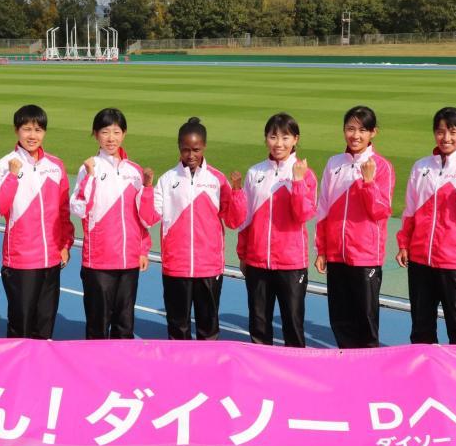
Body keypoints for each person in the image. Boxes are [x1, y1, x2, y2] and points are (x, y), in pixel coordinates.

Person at [139, 117, 246, 340]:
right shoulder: (167, 180)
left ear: (204, 147)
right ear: (179, 147)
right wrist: (147, 188)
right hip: (176, 266)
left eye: (196, 149)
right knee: (178, 327)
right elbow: (149, 218)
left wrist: (236, 192)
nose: (191, 155)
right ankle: (179, 371)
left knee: (208, 328)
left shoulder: (217, 180)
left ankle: (207, 372)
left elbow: (235, 221)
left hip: (209, 267)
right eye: (186, 149)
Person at [395, 107, 456, 345]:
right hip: (420, 259)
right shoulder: (421, 167)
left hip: (454, 263)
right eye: (440, 131)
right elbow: (410, 210)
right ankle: (422, 375)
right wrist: (403, 244)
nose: (446, 138)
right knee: (421, 327)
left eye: (452, 131)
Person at [0, 104, 74, 339]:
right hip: (21, 259)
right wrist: (13, 177)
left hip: (51, 259)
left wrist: (65, 244)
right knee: (21, 325)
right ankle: (18, 374)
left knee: (45, 325)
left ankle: (42, 373)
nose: (32, 135)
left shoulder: (55, 166)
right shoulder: (6, 164)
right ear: (17, 131)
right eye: (26, 129)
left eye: (38, 129)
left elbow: (63, 210)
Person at [314, 106, 394, 349]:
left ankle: (369, 368)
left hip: (365, 256)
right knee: (339, 317)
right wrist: (322, 249)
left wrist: (368, 182)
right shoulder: (334, 163)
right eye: (350, 128)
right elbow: (323, 209)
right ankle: (346, 364)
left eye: (362, 130)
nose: (355, 135)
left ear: (373, 133)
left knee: (365, 319)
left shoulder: (381, 166)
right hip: (337, 253)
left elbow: (380, 211)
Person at [237, 112, 317, 348]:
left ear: (295, 139)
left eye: (285, 137)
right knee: (259, 325)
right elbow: (246, 219)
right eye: (273, 137)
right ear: (266, 139)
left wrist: (298, 181)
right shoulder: (255, 173)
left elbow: (303, 215)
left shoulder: (305, 174)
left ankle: (295, 374)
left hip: (291, 263)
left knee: (293, 324)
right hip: (258, 261)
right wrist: (243, 253)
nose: (279, 143)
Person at [69, 108, 151, 340]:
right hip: (99, 261)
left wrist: (143, 249)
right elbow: (79, 209)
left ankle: (120, 373)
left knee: (124, 324)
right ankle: (94, 374)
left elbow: (141, 217)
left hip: (128, 260)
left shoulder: (134, 171)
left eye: (116, 131)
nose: (111, 138)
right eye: (105, 132)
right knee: (98, 324)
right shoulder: (89, 168)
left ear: (124, 134)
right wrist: (91, 177)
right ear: (96, 134)